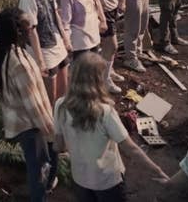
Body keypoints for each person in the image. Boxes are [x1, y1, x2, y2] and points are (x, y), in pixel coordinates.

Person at [53, 52, 169, 202]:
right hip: (107, 181)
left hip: (80, 179)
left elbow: (59, 146)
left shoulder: (60, 105)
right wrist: (157, 171)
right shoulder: (104, 112)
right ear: (97, 80)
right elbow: (131, 148)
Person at [0, 8, 58, 201]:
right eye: (29, 27)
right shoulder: (19, 63)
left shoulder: (11, 52)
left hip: (26, 123)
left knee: (40, 164)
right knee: (38, 168)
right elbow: (34, 106)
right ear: (18, 31)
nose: (33, 31)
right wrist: (52, 130)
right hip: (30, 125)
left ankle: (44, 189)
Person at [19, 0, 71, 106]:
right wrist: (40, 61)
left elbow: (56, 16)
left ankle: (61, 121)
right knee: (50, 96)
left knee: (64, 91)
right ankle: (50, 127)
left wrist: (65, 39)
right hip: (43, 50)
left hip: (56, 43)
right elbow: (31, 32)